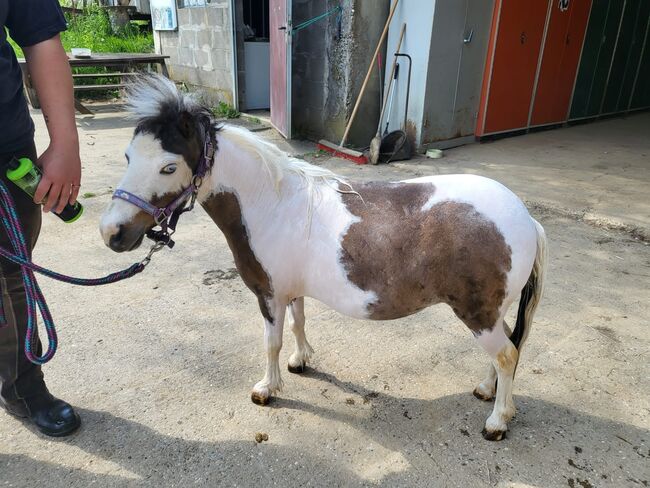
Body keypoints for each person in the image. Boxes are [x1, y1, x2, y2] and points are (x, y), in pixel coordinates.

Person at [0, 0, 82, 436]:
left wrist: (65, 142)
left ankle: (22, 386)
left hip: (6, 154)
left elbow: (40, 36)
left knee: (13, 277)